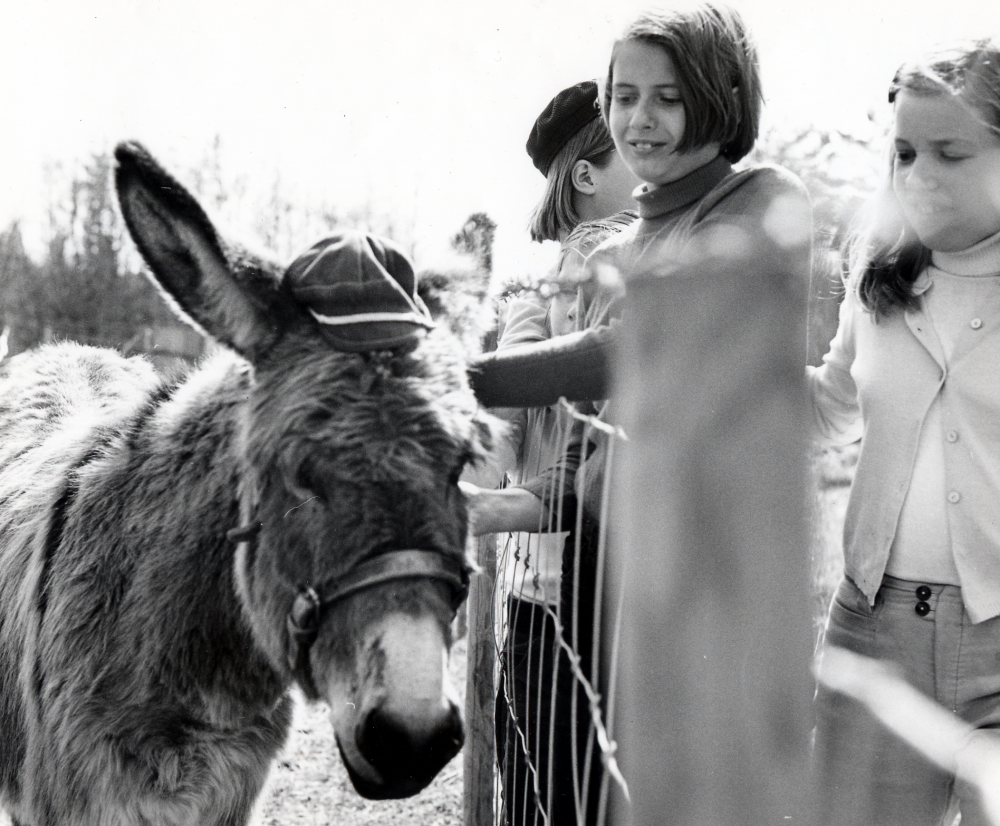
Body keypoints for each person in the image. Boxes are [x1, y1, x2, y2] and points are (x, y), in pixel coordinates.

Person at [465, 3, 813, 821]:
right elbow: (593, 433)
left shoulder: (760, 200)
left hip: (711, 587)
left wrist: (460, 381)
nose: (637, 119)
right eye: (623, 96)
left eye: (666, 95)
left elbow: (634, 348)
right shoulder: (624, 242)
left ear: (719, 94)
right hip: (604, 578)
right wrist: (521, 503)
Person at [808, 38, 1000, 826]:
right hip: (874, 635)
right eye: (905, 151)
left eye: (949, 152)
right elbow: (829, 408)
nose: (917, 175)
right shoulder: (877, 277)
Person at [462, 79, 638, 826]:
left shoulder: (544, 286)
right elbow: (507, 431)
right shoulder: (585, 276)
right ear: (588, 174)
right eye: (629, 144)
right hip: (584, 608)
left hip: (553, 604)